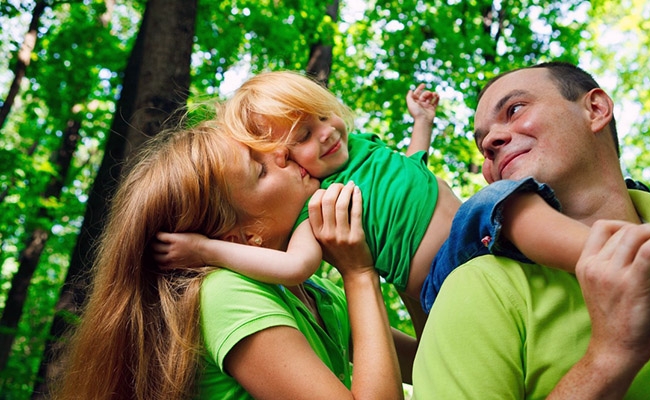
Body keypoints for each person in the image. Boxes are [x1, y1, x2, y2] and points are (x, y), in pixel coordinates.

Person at [157, 70, 650, 339]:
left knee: (592, 202)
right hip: (443, 277)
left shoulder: (365, 151)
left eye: (320, 119)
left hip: (480, 245)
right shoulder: (322, 205)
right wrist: (208, 248)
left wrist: (421, 120)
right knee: (503, 201)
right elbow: (294, 266)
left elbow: (413, 163)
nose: (324, 136)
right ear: (290, 164)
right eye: (302, 141)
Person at [412, 61, 650, 399]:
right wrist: (607, 359)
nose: (491, 142)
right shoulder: (480, 286)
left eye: (515, 109)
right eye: (482, 144)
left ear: (596, 109)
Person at [54, 121, 414, 399]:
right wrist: (358, 273)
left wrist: (404, 251)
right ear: (240, 237)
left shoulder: (312, 291)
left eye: (266, 148)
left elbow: (423, 359)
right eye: (261, 170)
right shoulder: (226, 295)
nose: (282, 153)